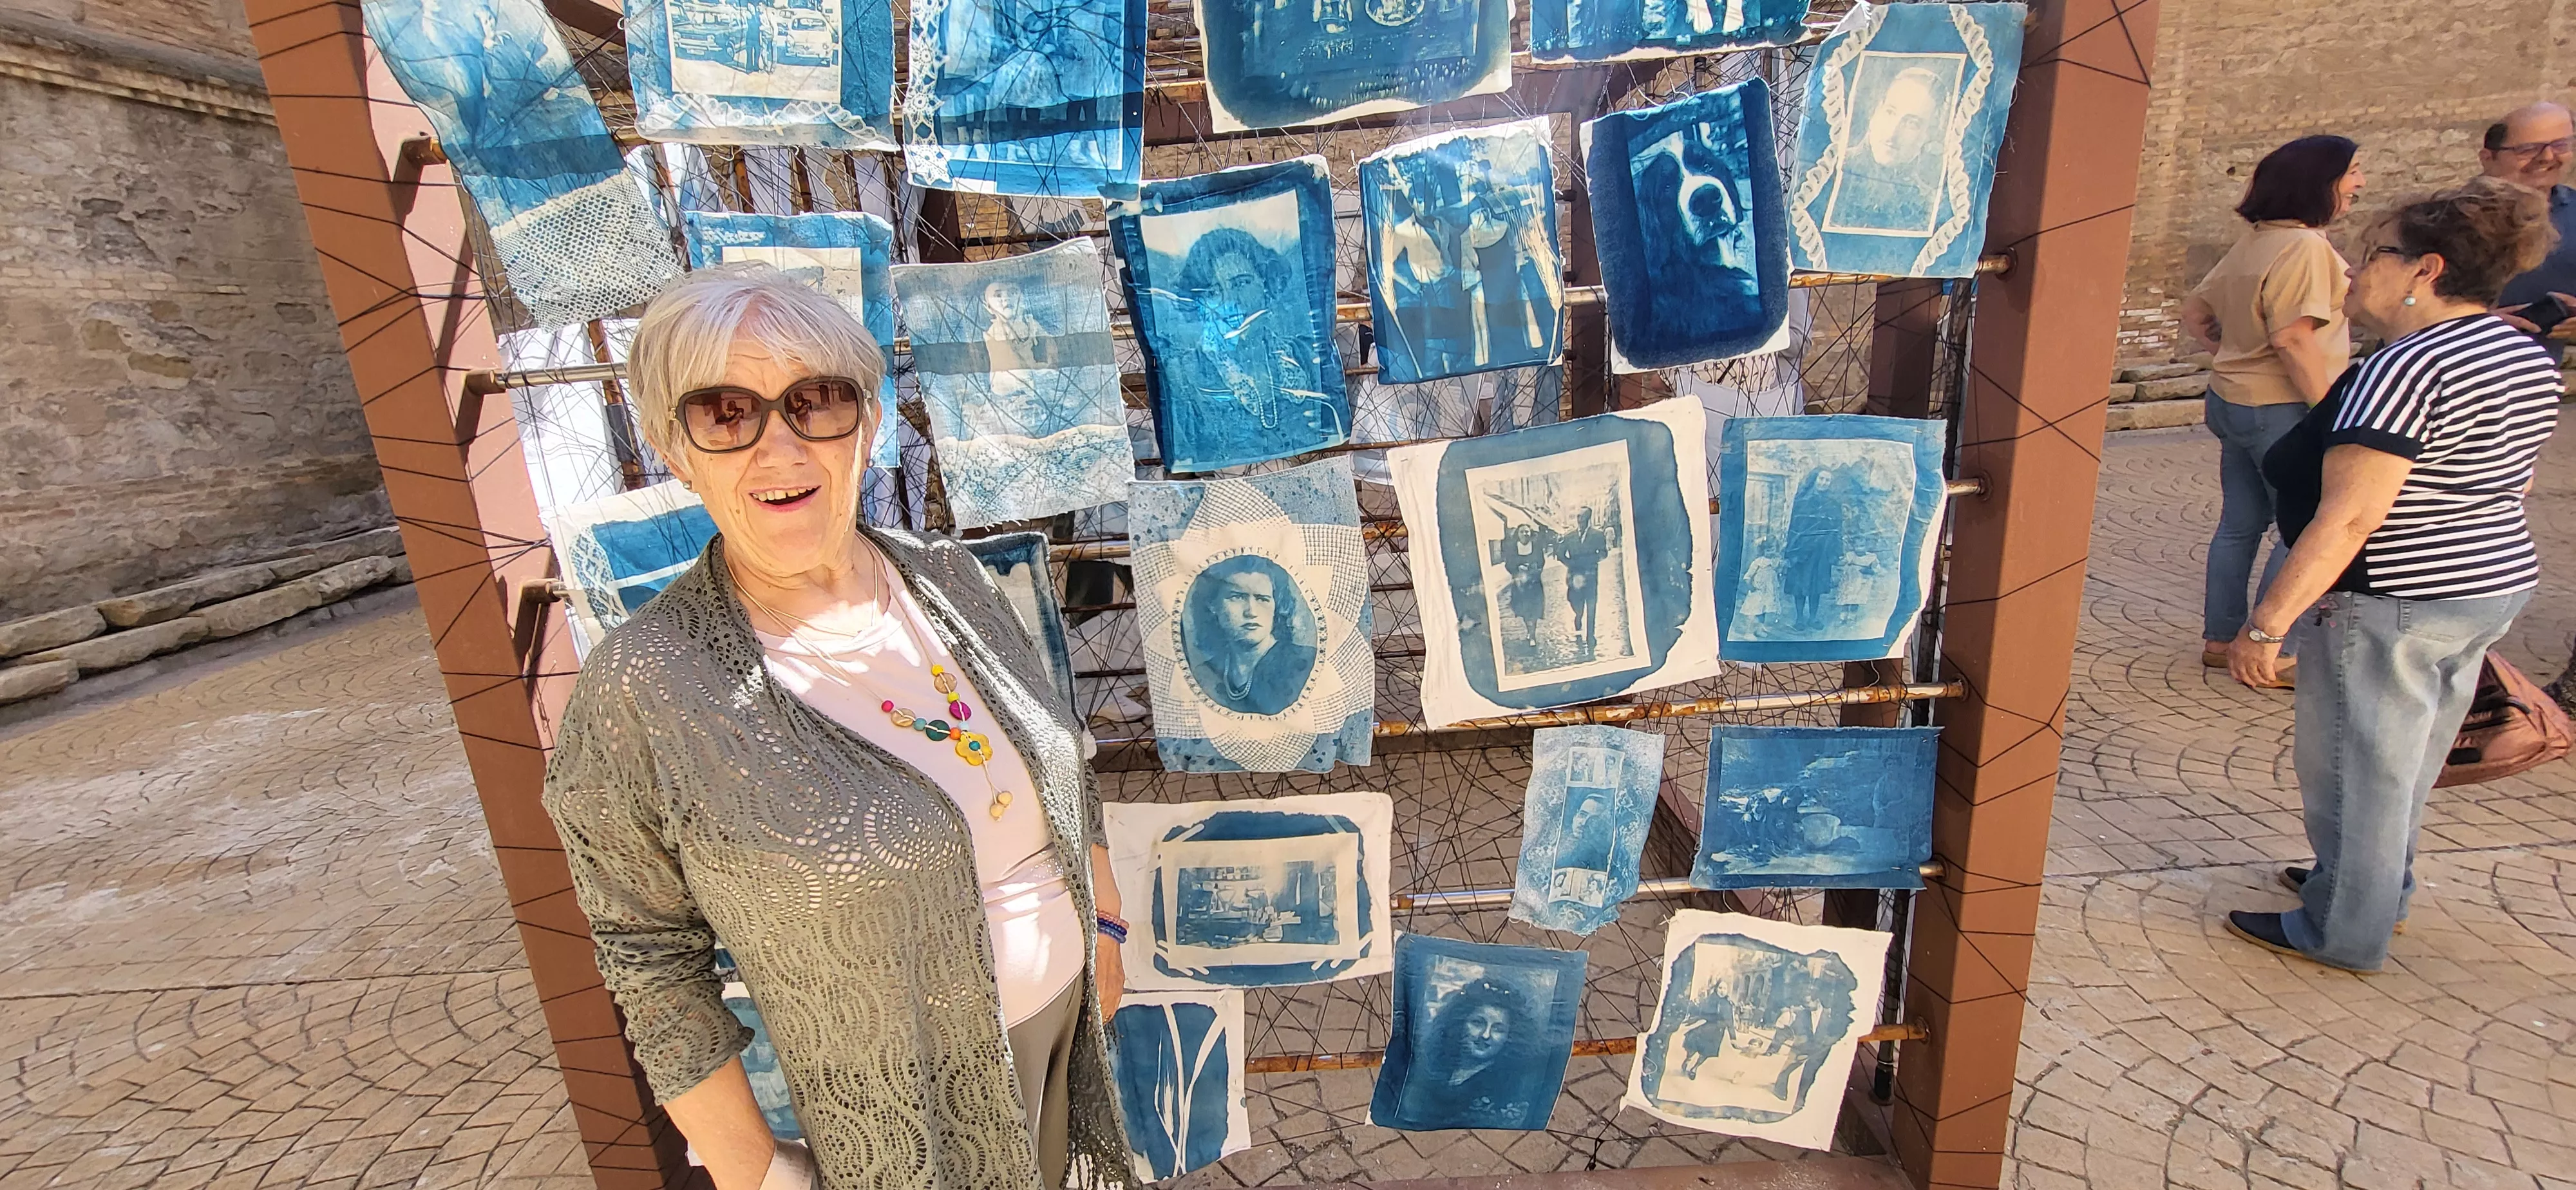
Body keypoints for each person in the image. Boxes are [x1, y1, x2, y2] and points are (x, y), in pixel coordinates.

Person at [542, 265, 1130, 1190]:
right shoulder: (648, 687)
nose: (780, 448)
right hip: (910, 1125)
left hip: (1066, 1043)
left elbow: (1065, 759)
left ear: (868, 425)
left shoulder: (947, 580)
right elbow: (647, 953)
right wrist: (753, 1172)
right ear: (671, 443)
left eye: (815, 402)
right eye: (726, 414)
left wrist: (1104, 924)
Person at [2226, 178, 2562, 972]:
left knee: (2357, 762)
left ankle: (2342, 928)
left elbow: (2349, 518)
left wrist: (2265, 626)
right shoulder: (2519, 350)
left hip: (2398, 594)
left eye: (2375, 255)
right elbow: (2514, 480)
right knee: (2407, 754)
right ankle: (2373, 887)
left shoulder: (2407, 368)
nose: (2352, 271)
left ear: (2425, 270)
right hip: (2487, 582)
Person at [2177, 135, 2365, 684]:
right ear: (2320, 182)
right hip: (2282, 407)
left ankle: (2219, 638)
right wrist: (2333, 411)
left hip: (2232, 400)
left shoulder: (2256, 242)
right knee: (2303, 528)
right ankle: (2267, 646)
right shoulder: (2305, 247)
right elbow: (2293, 338)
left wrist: (2233, 353)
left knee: (2239, 525)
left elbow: (2195, 311)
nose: (2360, 184)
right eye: (2352, 172)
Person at [2480, 102, 2576, 341]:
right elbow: (2395, 305)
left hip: (2536, 372)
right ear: (2488, 158)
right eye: (2527, 149)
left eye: (2560, 145)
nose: (2547, 157)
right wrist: (2477, 323)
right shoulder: (2442, 219)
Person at [1183, 560, 1314, 715]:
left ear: (1276, 606)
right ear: (1213, 606)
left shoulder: (1307, 664)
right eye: (1237, 597)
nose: (1251, 612)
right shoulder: (1205, 674)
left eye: (1262, 599)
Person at [1830, 67, 1949, 231]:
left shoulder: (1928, 202)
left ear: (1929, 134)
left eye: (1912, 124)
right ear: (1876, 111)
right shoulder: (1832, 171)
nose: (1893, 132)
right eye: (1890, 112)